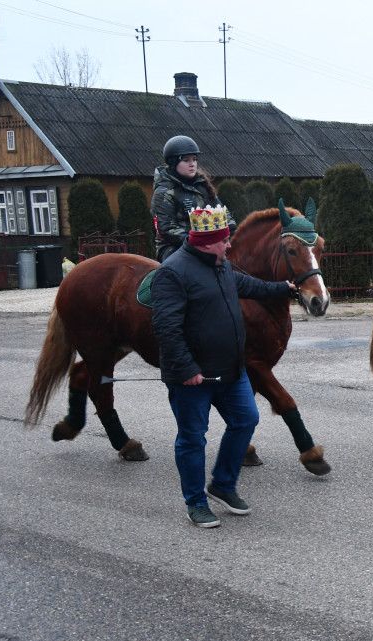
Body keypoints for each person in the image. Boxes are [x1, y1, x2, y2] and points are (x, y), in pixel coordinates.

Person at [151, 206, 296, 528]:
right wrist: (187, 368)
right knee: (192, 439)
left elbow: (249, 287)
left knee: (246, 419)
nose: (229, 245)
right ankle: (196, 503)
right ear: (206, 243)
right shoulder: (172, 273)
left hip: (231, 370)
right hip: (192, 377)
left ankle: (223, 484)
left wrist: (283, 288)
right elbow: (166, 328)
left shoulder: (221, 266)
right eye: (224, 241)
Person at [151, 135, 236, 263]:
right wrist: (200, 241)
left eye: (195, 159)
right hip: (174, 248)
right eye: (186, 160)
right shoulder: (164, 192)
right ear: (173, 163)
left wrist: (231, 232)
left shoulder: (203, 186)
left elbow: (222, 214)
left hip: (209, 244)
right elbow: (167, 229)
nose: (192, 164)